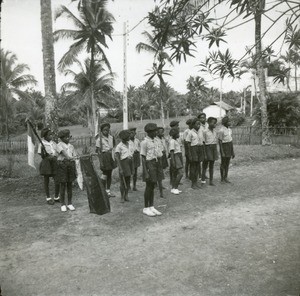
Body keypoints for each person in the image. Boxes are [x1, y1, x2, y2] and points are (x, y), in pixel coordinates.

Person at [140, 123, 163, 217]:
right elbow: (143, 157)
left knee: (153, 185)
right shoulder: (144, 142)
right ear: (149, 132)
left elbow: (159, 153)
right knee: (148, 186)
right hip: (149, 164)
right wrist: (145, 171)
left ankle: (151, 206)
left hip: (156, 163)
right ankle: (146, 207)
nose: (156, 132)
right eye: (154, 131)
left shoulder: (156, 140)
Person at [56, 129, 77, 212]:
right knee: (63, 184)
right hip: (62, 165)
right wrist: (69, 157)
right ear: (61, 138)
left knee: (69, 184)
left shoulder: (71, 146)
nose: (68, 138)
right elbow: (64, 153)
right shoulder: (59, 145)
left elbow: (74, 155)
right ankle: (62, 204)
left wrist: (75, 158)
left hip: (70, 165)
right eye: (65, 137)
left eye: (69, 137)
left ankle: (70, 203)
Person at [37, 127, 59, 205]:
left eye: (51, 135)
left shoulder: (54, 143)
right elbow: (42, 156)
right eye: (49, 135)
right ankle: (48, 197)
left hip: (54, 162)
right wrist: (43, 150)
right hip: (46, 163)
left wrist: (54, 156)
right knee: (46, 180)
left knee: (57, 179)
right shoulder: (42, 144)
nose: (51, 136)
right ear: (45, 136)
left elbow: (57, 152)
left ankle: (56, 197)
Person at [96, 123, 116, 197]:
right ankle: (102, 190)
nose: (106, 131)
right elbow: (98, 151)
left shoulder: (111, 137)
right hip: (104, 156)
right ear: (101, 131)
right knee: (105, 174)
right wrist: (101, 161)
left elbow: (113, 146)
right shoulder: (99, 140)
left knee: (110, 173)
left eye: (107, 130)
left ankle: (108, 190)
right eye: (104, 130)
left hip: (111, 156)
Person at [115, 130, 134, 203]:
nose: (129, 137)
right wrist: (120, 168)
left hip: (129, 162)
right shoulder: (119, 146)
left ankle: (126, 195)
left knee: (128, 179)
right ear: (124, 137)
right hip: (123, 163)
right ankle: (122, 197)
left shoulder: (129, 144)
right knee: (122, 181)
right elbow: (117, 158)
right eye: (128, 136)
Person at [186, 118, 204, 189]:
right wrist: (190, 154)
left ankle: (196, 183)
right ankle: (193, 183)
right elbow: (188, 144)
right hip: (193, 150)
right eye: (197, 124)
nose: (198, 125)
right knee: (193, 167)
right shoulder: (190, 133)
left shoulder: (200, 132)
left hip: (199, 149)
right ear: (193, 125)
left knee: (197, 167)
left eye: (199, 124)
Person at [202, 117, 218, 186]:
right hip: (207, 148)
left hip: (213, 148)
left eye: (215, 123)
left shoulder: (215, 131)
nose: (215, 124)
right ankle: (203, 180)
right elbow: (203, 143)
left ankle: (211, 181)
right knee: (205, 165)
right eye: (213, 123)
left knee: (212, 165)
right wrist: (205, 153)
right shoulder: (205, 131)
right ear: (208, 123)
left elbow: (215, 142)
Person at [218, 116, 235, 183]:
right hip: (224, 147)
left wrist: (232, 151)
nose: (230, 123)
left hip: (229, 146)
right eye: (228, 122)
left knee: (227, 163)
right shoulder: (221, 131)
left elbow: (231, 141)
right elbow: (220, 141)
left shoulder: (230, 130)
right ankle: (222, 178)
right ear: (225, 123)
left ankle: (226, 177)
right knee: (223, 163)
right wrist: (222, 152)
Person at [169, 128, 183, 194]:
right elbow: (172, 152)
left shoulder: (176, 140)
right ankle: (175, 187)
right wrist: (173, 162)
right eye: (177, 133)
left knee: (175, 174)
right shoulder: (172, 141)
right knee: (180, 173)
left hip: (178, 156)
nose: (179, 134)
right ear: (174, 135)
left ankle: (173, 188)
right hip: (175, 156)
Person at [155, 127, 168, 198]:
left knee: (162, 168)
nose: (162, 133)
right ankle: (157, 184)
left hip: (163, 154)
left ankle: (159, 184)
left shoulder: (163, 139)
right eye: (161, 132)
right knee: (158, 169)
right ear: (157, 132)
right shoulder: (155, 139)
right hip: (158, 156)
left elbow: (165, 145)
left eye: (163, 132)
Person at [198, 112, 208, 182]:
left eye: (204, 117)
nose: (203, 119)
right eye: (201, 118)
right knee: (199, 160)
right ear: (199, 119)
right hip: (201, 144)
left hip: (207, 144)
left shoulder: (207, 125)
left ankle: (203, 174)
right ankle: (199, 174)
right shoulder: (198, 125)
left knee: (206, 160)